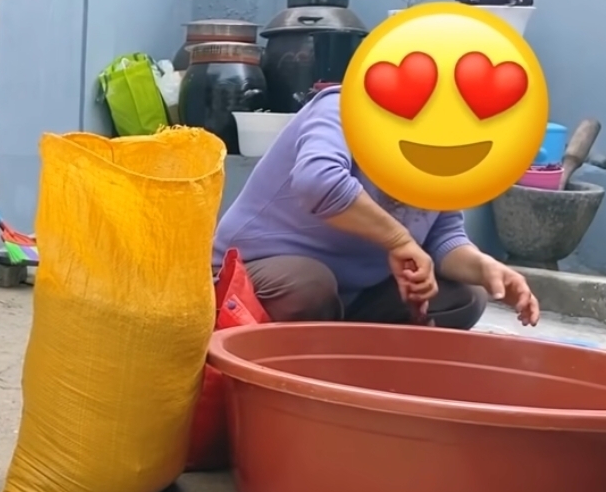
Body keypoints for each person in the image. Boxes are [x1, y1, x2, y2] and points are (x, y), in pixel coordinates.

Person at [213, 86, 540, 329]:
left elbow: (442, 234)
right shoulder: (343, 108)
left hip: (351, 298)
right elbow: (318, 182)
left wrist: (487, 269)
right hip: (255, 275)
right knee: (308, 287)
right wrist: (399, 241)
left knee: (463, 297)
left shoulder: (445, 149)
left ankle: (361, 374)